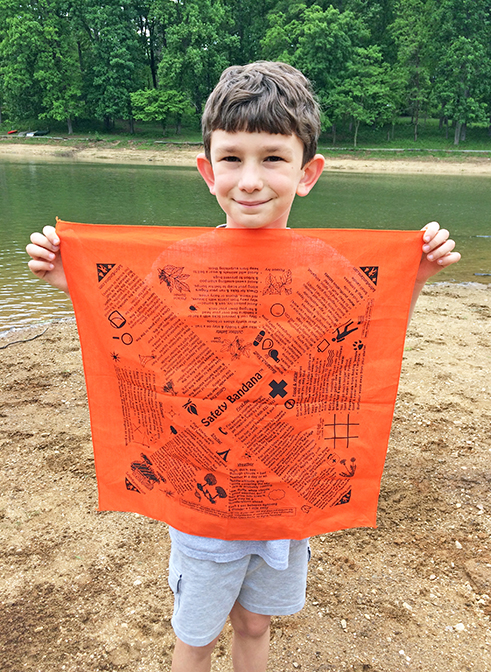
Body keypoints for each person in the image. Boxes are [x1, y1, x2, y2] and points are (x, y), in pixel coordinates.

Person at [26, 61, 460, 672]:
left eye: (272, 158)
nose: (250, 179)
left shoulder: (328, 266)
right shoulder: (179, 262)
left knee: (256, 624)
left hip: (288, 494)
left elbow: (367, 330)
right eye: (232, 158)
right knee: (197, 633)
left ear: (307, 173)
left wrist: (413, 275)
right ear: (207, 171)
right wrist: (65, 275)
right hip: (203, 499)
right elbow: (136, 335)